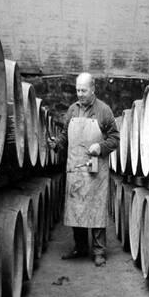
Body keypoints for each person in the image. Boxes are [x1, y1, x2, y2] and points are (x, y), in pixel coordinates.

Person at [48, 72, 119, 267]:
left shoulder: (104, 111)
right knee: (77, 209)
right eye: (77, 90)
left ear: (93, 89)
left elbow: (115, 139)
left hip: (95, 168)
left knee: (95, 209)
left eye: (83, 90)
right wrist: (57, 144)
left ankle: (99, 252)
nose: (79, 94)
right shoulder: (72, 110)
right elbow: (65, 135)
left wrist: (101, 147)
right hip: (75, 167)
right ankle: (80, 247)